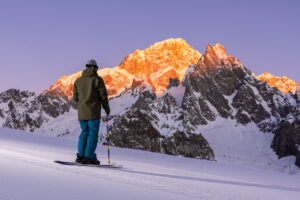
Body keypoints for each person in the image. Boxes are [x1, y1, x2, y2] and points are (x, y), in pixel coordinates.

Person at [73, 59, 110, 165]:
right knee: (93, 134)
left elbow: (75, 98)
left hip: (82, 112)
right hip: (93, 112)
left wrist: (82, 104)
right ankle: (89, 156)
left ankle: (80, 156)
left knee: (84, 133)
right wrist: (106, 108)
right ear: (95, 68)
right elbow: (103, 96)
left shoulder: (78, 81)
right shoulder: (97, 80)